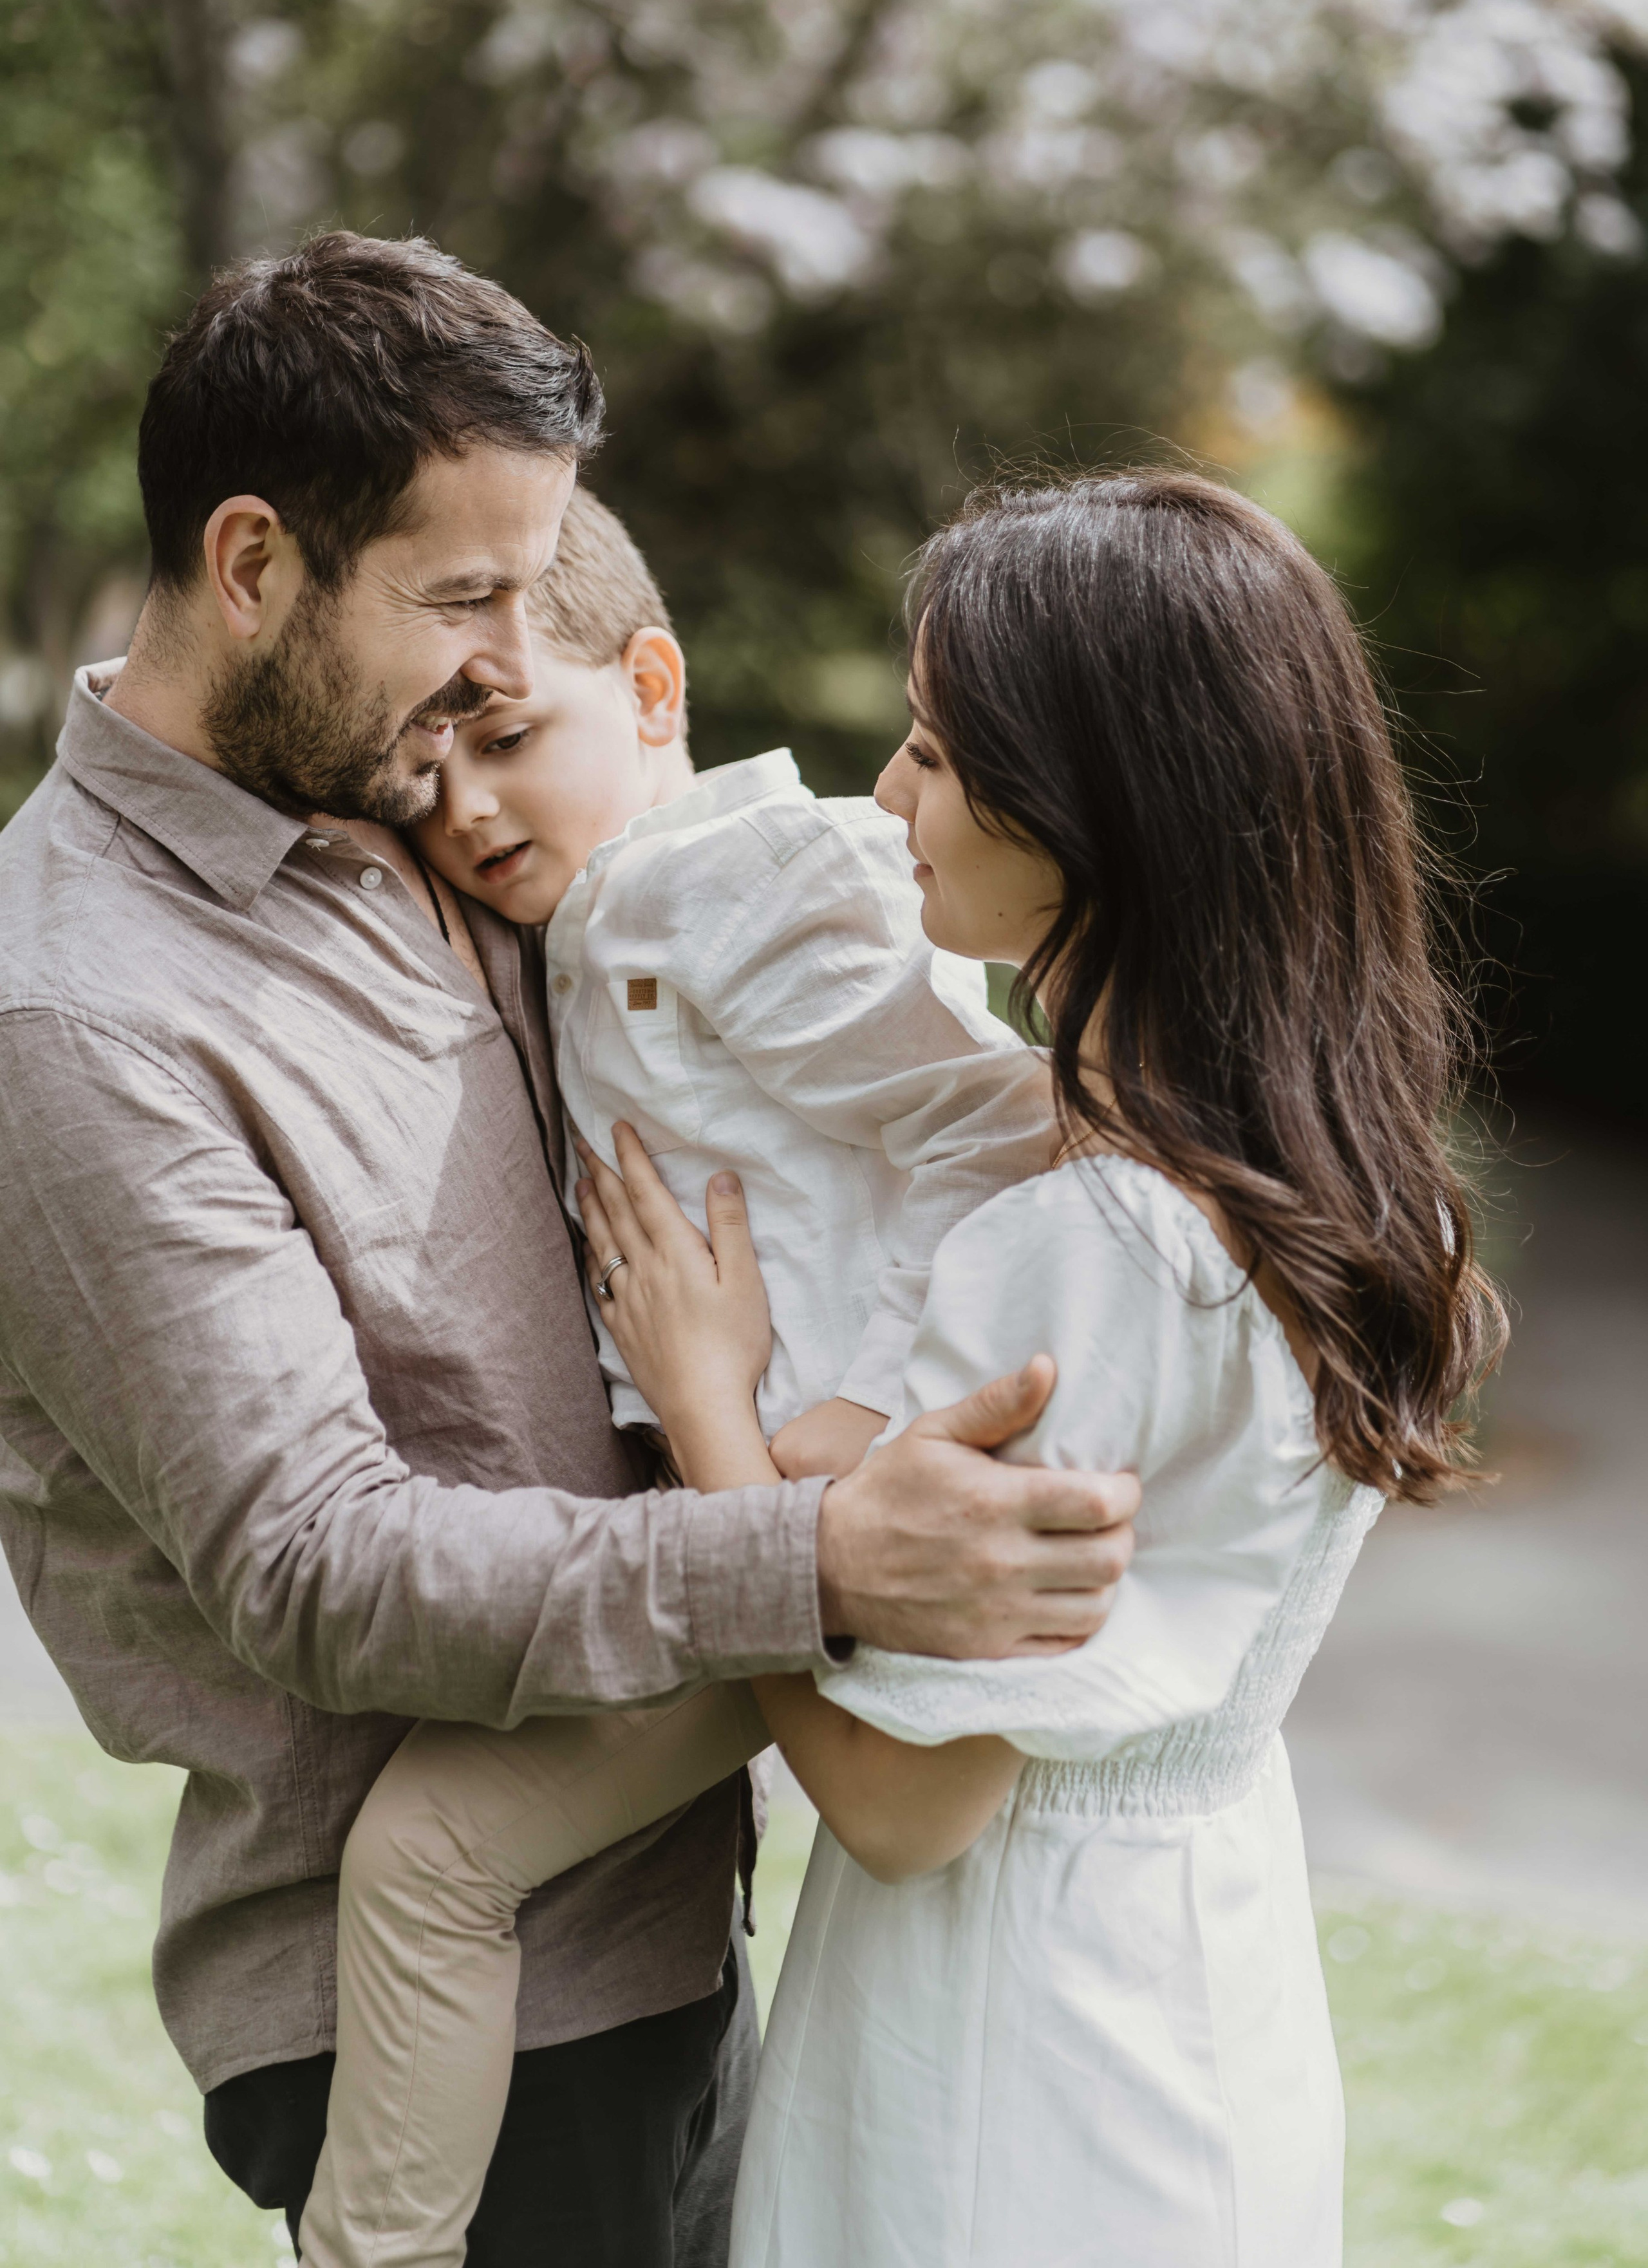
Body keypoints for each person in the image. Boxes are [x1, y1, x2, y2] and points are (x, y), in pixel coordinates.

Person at [0, 234, 1141, 2268]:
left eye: (530, 603)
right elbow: (322, 1569)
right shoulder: (80, 1016)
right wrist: (814, 1550)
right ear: (253, 563)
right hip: (451, 2011)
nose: (497, 665)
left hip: (651, 1919)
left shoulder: (406, 807)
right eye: (463, 600)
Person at [579, 473, 1508, 2266]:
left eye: (935, 752)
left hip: (1015, 2044)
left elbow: (906, 1801)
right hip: (1194, 1971)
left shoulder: (1097, 1246)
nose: (889, 798)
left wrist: (705, 1402)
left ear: (1100, 811)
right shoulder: (1285, 1172)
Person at [295, 481, 1054, 2268]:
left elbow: (1006, 1126)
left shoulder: (735, 887)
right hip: (732, 1513)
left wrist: (846, 1429)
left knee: (428, 1859)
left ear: (652, 682)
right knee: (438, 1859)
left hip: (797, 1500)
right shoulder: (589, 912)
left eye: (505, 732)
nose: (465, 805)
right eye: (427, 772)